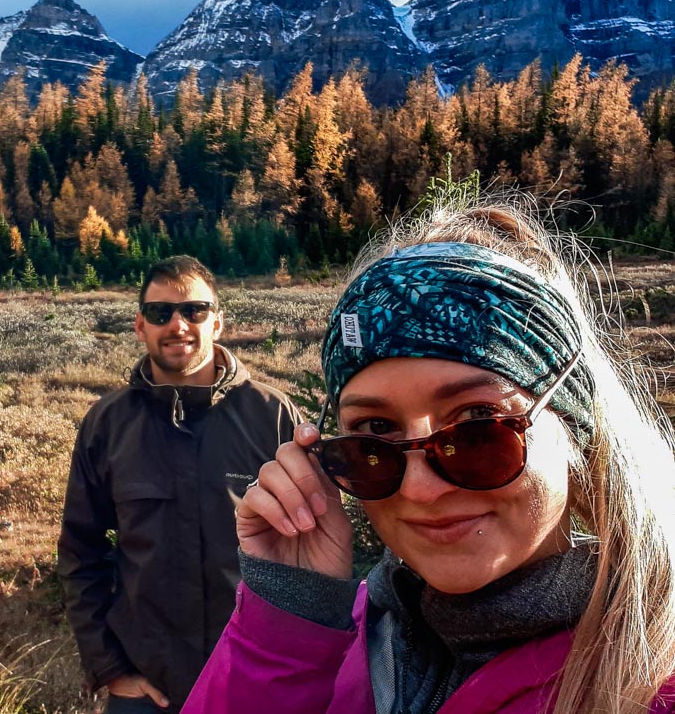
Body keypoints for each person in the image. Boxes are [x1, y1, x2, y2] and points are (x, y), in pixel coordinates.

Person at [182, 201, 675, 713]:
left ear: (576, 428)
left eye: (478, 424)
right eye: (375, 431)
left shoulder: (649, 686)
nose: (420, 488)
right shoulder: (345, 631)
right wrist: (288, 616)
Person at [57, 255, 302, 713]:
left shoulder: (273, 417)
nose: (178, 325)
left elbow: (312, 551)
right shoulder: (107, 425)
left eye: (194, 310)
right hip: (148, 690)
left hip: (255, 682)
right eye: (160, 313)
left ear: (218, 321)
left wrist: (295, 664)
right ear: (140, 325)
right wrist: (111, 668)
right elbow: (79, 553)